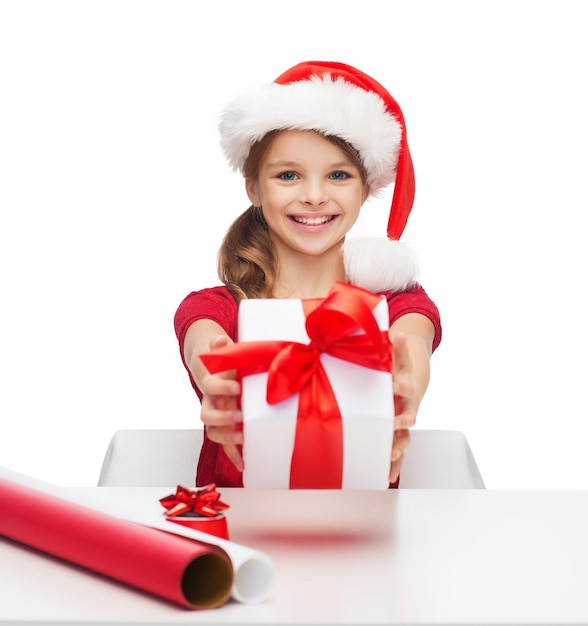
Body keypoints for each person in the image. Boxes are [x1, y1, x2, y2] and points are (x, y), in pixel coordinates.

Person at [174, 61, 442, 488]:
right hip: (236, 542)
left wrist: (408, 373)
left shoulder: (395, 303)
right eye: (288, 175)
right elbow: (204, 342)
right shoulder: (217, 308)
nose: (314, 196)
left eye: (338, 175)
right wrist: (215, 375)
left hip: (367, 541)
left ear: (365, 188)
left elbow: (413, 339)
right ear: (254, 187)